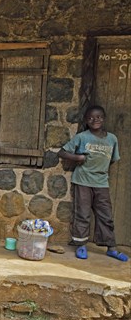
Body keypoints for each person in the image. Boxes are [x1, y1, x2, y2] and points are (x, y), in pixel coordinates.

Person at [57, 105, 126, 262]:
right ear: (86, 120)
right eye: (90, 118)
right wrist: (77, 158)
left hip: (101, 183)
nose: (95, 120)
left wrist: (98, 170)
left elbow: (113, 160)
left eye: (99, 117)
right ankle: (81, 245)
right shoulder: (82, 137)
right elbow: (62, 152)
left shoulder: (112, 139)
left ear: (104, 119)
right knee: (82, 213)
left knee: (106, 215)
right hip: (82, 181)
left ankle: (111, 247)